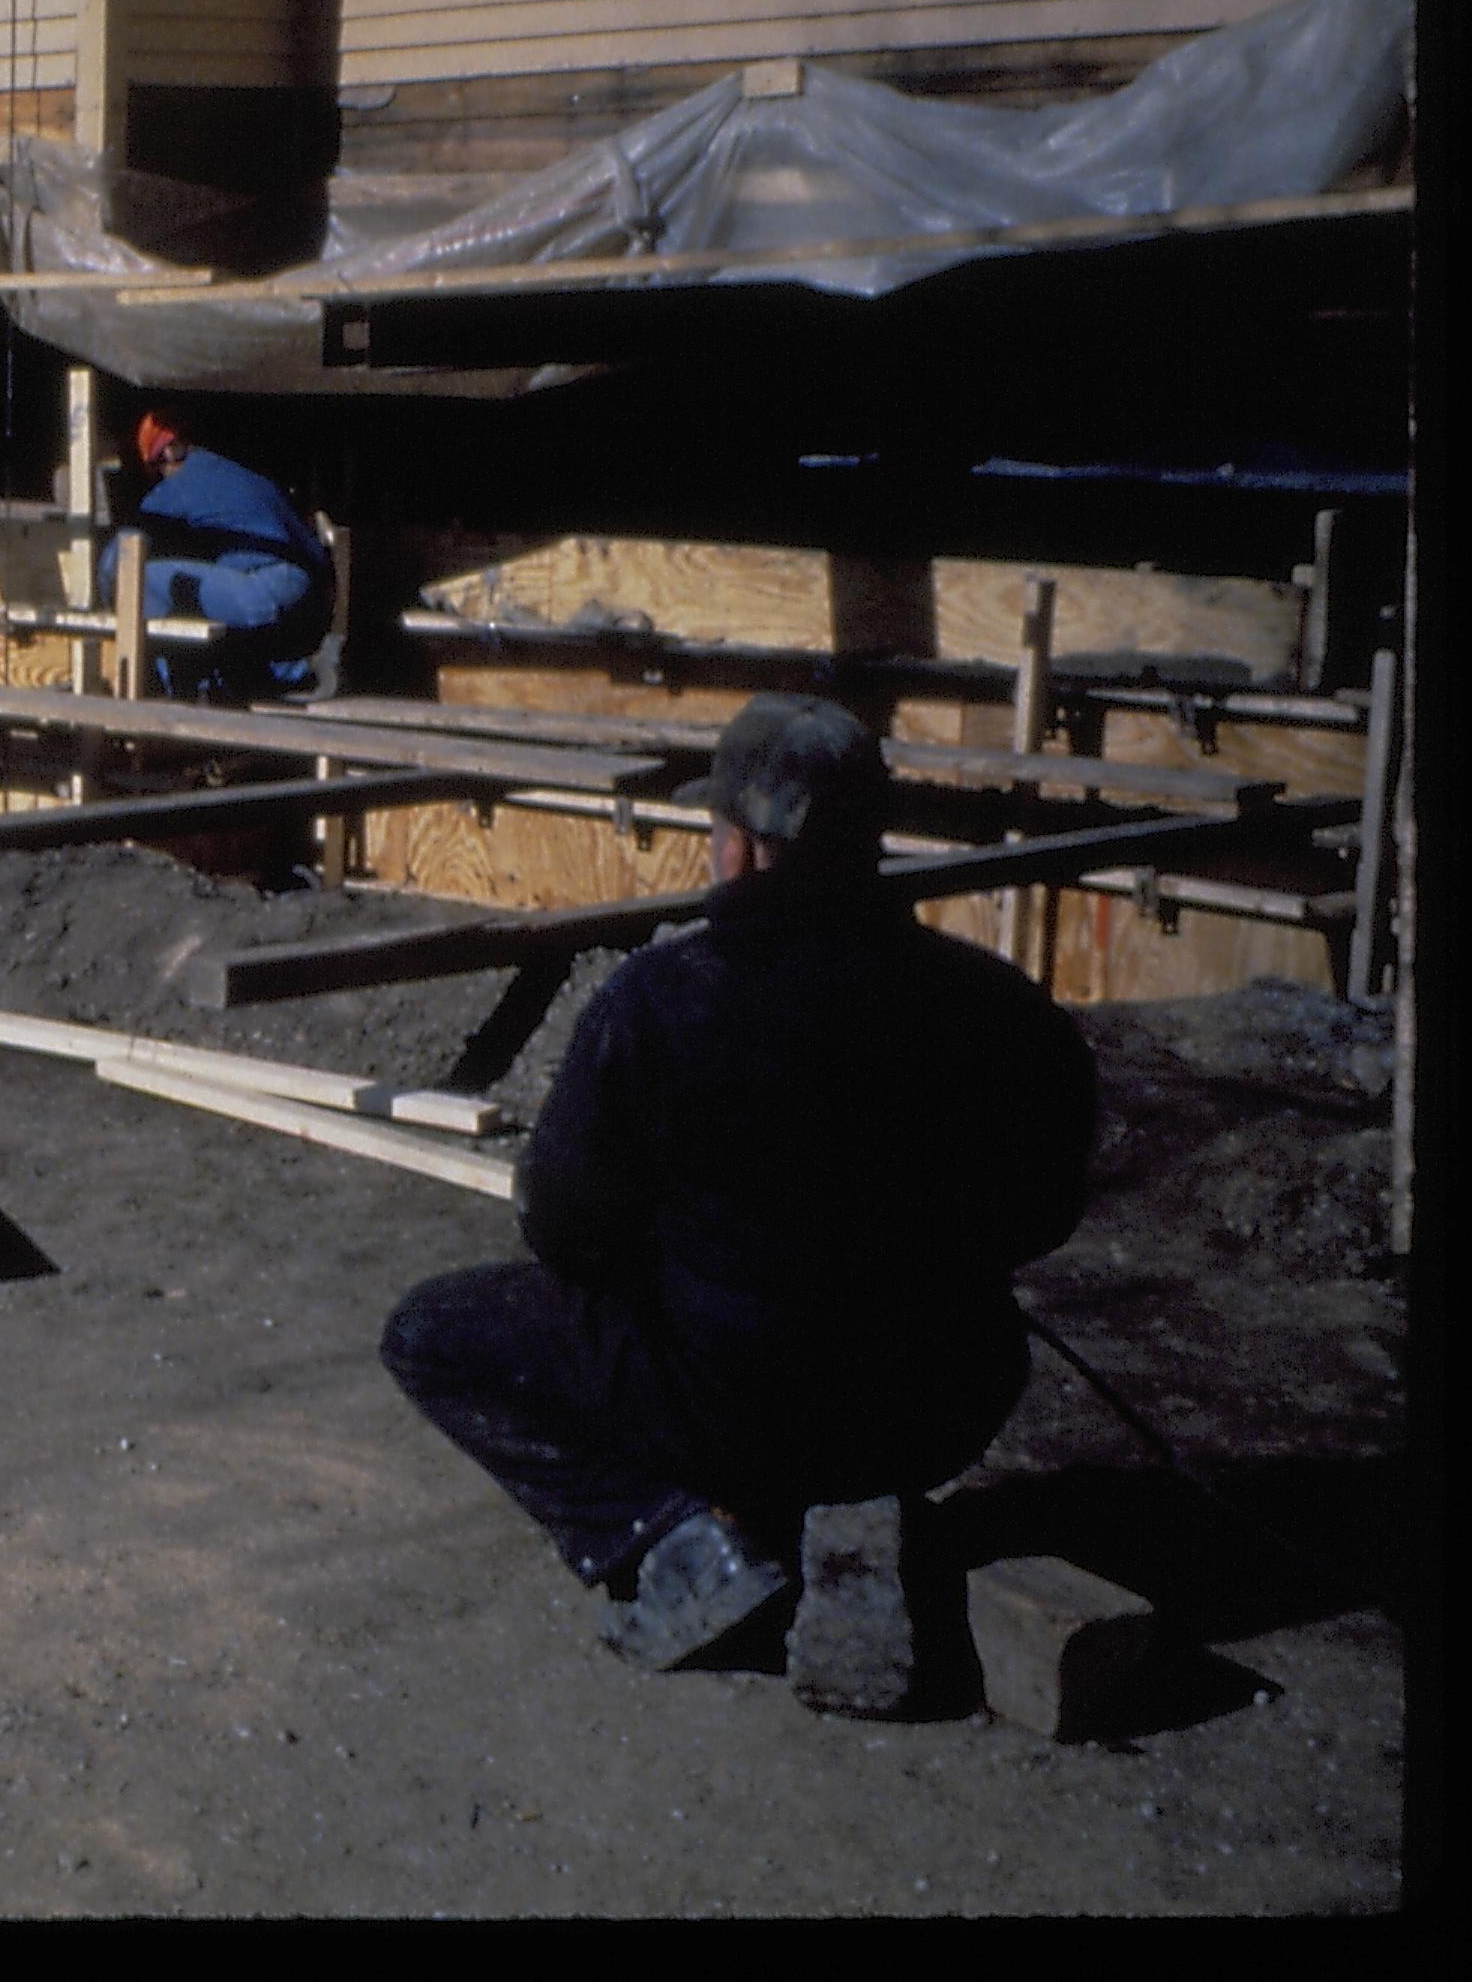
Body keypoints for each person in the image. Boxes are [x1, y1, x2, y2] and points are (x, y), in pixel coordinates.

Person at [377, 694, 1096, 1715]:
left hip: (727, 1410)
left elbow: (562, 1226)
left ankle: (681, 1543)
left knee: (431, 1334)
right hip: (937, 1405)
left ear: (744, 849)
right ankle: (848, 1519)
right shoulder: (1002, 1007)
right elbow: (1042, 1216)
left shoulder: (661, 1003)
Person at [96, 403, 332, 702]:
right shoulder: (242, 473)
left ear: (167, 453)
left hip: (267, 589)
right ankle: (280, 674)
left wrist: (106, 608)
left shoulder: (183, 481)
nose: (160, 478)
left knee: (144, 579)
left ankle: (176, 693)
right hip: (307, 601)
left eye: (157, 468)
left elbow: (119, 558)